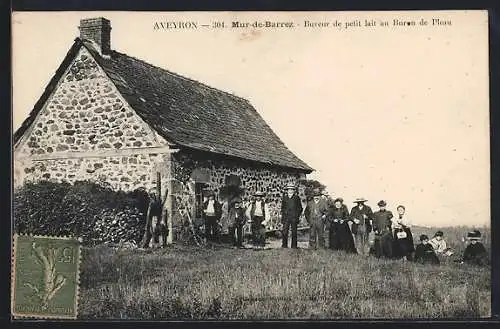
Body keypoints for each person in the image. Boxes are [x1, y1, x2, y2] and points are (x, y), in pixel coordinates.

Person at [280, 184, 303, 248]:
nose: (290, 191)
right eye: (289, 189)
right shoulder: (284, 198)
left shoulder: (296, 198)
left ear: (294, 191)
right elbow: (282, 207)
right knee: (284, 231)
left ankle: (294, 245)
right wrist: (283, 213)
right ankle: (284, 245)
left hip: (294, 217)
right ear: (287, 191)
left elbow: (300, 208)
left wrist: (297, 214)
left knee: (294, 232)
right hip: (286, 217)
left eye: (292, 189)